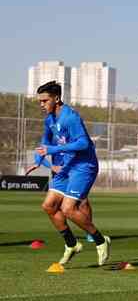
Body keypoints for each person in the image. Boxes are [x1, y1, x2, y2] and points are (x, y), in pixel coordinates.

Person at [33, 81, 110, 266]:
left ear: (57, 98)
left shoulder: (70, 118)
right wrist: (41, 159)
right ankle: (72, 244)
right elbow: (45, 143)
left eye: (44, 100)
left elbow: (84, 144)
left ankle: (101, 240)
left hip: (84, 166)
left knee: (68, 208)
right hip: (67, 167)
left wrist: (51, 150)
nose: (41, 104)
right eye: (40, 101)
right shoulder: (49, 119)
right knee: (49, 206)